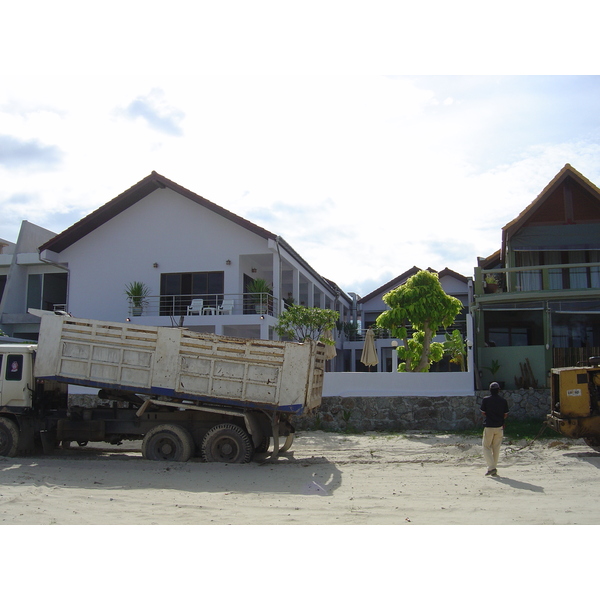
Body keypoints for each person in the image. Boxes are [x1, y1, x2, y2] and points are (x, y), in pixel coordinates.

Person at [480, 382, 509, 476]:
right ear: (499, 390)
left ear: (490, 390)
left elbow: (483, 412)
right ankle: (493, 468)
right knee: (496, 448)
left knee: (486, 447)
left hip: (489, 426)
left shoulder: (486, 400)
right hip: (499, 427)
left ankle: (491, 467)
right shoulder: (503, 401)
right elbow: (505, 414)